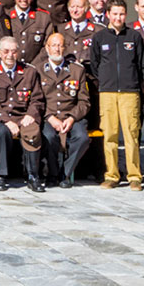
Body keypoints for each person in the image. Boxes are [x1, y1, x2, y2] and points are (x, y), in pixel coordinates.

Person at [90, 0, 144, 190]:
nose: (118, 17)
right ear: (108, 14)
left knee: (131, 135)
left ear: (126, 15)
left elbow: (140, 64)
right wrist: (106, 80)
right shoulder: (99, 38)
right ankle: (112, 175)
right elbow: (95, 64)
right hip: (107, 92)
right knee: (110, 135)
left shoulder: (134, 36)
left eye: (121, 14)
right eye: (114, 13)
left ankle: (134, 176)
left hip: (130, 92)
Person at [0, 36, 43, 192]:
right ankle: (0, 175)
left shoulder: (29, 72)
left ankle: (33, 175)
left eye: (14, 51)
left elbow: (37, 99)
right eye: (6, 51)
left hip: (23, 116)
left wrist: (31, 114)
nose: (10, 55)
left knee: (32, 131)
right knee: (2, 133)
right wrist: (6, 120)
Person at [35, 32, 91, 188]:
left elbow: (84, 101)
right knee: (48, 137)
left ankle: (64, 173)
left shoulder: (76, 70)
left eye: (60, 45)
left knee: (82, 138)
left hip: (71, 116)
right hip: (49, 116)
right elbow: (36, 100)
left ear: (65, 48)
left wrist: (72, 118)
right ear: (47, 48)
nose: (57, 49)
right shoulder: (38, 71)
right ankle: (53, 174)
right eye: (53, 45)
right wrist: (50, 117)